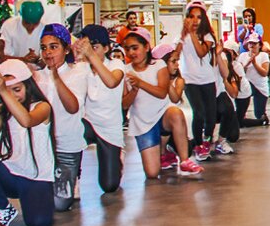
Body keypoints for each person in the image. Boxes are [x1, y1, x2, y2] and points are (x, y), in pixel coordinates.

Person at [0, 59, 54, 226]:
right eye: (8, 90)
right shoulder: (2, 110)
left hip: (36, 177)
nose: (12, 95)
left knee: (39, 223)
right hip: (10, 174)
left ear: (29, 86)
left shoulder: (42, 107)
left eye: (17, 90)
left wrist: (4, 91)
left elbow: (26, 120)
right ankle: (3, 207)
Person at [123, 31, 201, 177]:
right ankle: (163, 152)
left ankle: (184, 160)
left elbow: (161, 92)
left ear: (146, 47)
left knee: (176, 113)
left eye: (135, 48)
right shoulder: (126, 71)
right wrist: (133, 91)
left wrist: (140, 83)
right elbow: (124, 104)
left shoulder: (158, 65)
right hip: (143, 123)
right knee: (152, 173)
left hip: (162, 116)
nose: (131, 52)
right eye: (127, 49)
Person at [36, 23, 88, 213]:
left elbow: (72, 107)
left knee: (60, 204)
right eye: (44, 48)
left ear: (66, 49)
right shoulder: (36, 76)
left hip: (67, 146)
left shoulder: (77, 73)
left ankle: (74, 177)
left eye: (54, 47)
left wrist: (56, 78)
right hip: (41, 147)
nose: (48, 52)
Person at [73, 25, 124, 196]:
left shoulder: (116, 64)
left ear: (106, 48)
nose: (89, 52)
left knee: (109, 185)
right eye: (86, 46)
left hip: (110, 128)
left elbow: (111, 81)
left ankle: (117, 160)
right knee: (72, 132)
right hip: (87, 122)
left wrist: (91, 56)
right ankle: (73, 177)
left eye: (94, 47)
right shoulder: (82, 67)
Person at [179, 2, 218, 161]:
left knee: (210, 115)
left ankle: (207, 139)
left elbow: (202, 52)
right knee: (199, 112)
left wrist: (193, 35)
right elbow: (175, 52)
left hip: (207, 79)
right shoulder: (181, 37)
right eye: (192, 17)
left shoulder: (207, 36)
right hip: (190, 80)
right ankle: (198, 145)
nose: (195, 21)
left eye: (199, 17)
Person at [235, 33, 270, 126]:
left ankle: (261, 119)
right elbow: (237, 72)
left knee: (259, 114)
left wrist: (254, 63)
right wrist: (246, 65)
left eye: (254, 44)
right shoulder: (242, 56)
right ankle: (241, 116)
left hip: (259, 87)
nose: (252, 46)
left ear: (259, 45)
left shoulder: (263, 56)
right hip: (246, 86)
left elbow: (264, 73)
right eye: (250, 43)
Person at [1, 0, 47, 65]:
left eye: (35, 23)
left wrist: (38, 59)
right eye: (27, 23)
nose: (31, 27)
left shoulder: (45, 28)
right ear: (21, 16)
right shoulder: (9, 26)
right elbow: (2, 56)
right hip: (12, 68)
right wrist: (22, 59)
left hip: (38, 70)